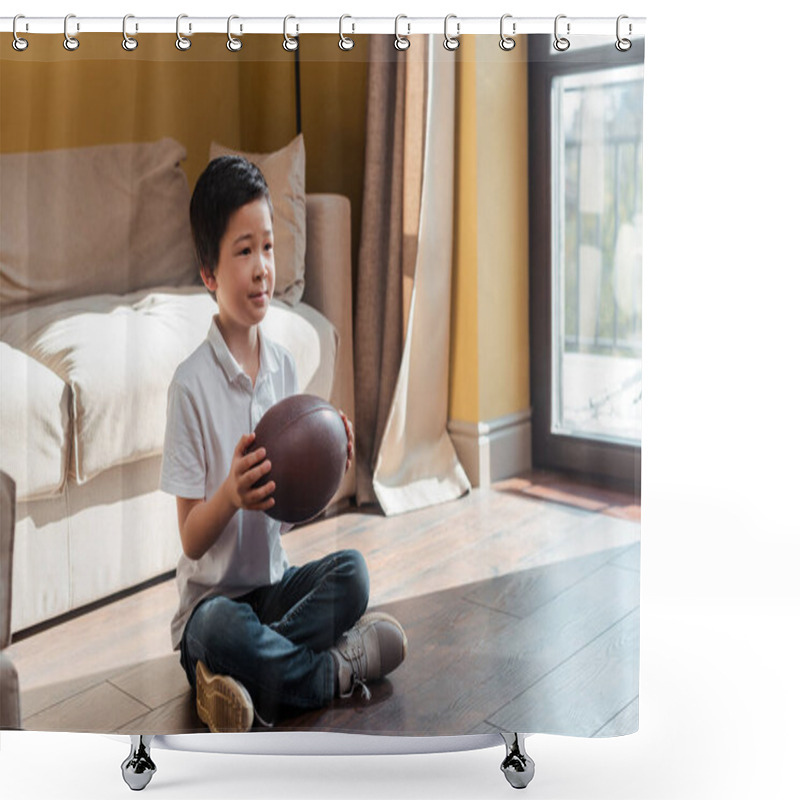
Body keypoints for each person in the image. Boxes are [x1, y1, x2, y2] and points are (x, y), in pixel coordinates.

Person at [160, 155, 407, 732]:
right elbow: (193, 539)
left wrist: (327, 464)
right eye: (243, 251)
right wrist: (230, 495)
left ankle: (240, 680)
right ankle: (333, 672)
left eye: (267, 248)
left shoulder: (284, 369)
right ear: (209, 274)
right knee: (220, 631)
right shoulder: (190, 386)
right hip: (210, 610)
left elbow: (287, 519)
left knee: (353, 574)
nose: (262, 267)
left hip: (273, 592)